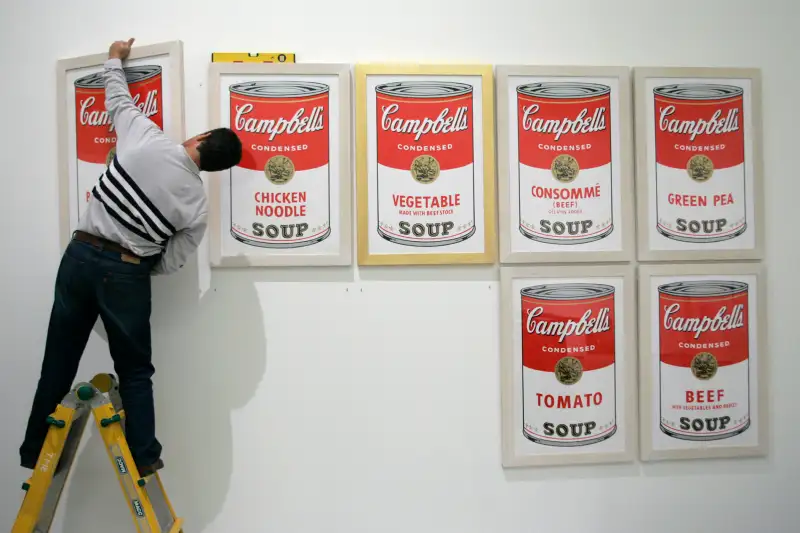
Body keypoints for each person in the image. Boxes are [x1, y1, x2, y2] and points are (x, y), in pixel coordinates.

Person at [19, 38, 242, 476]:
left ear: (200, 138)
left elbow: (117, 97)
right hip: (127, 274)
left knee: (58, 361)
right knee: (136, 372)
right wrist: (136, 264)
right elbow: (173, 261)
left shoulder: (148, 139)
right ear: (214, 169)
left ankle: (34, 451)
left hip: (80, 256)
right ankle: (143, 455)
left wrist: (114, 56)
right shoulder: (197, 205)